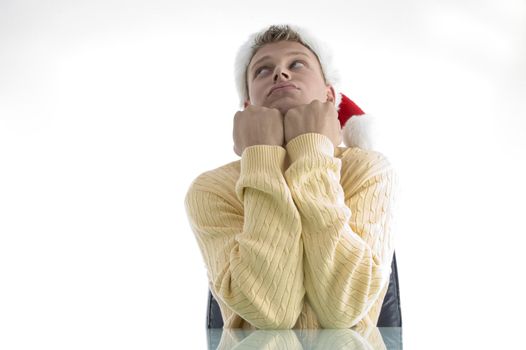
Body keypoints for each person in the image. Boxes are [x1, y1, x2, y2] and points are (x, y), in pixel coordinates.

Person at [184, 24, 398, 330]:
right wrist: (262, 156)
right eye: (262, 70)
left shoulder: (367, 170)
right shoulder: (211, 189)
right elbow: (272, 312)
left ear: (330, 95)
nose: (280, 74)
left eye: (296, 64)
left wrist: (312, 153)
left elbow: (343, 309)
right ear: (248, 107)